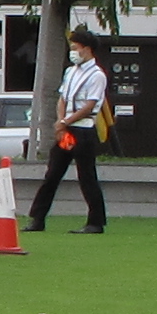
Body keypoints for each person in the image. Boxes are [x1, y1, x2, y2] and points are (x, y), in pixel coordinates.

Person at [29, 35, 112, 234]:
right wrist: (61, 122)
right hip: (67, 131)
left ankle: (95, 222)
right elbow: (63, 98)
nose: (73, 52)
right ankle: (37, 219)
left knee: (86, 176)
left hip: (83, 130)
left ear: (88, 49)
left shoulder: (97, 75)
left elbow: (90, 105)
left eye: (77, 48)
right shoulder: (70, 72)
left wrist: (66, 121)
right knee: (52, 174)